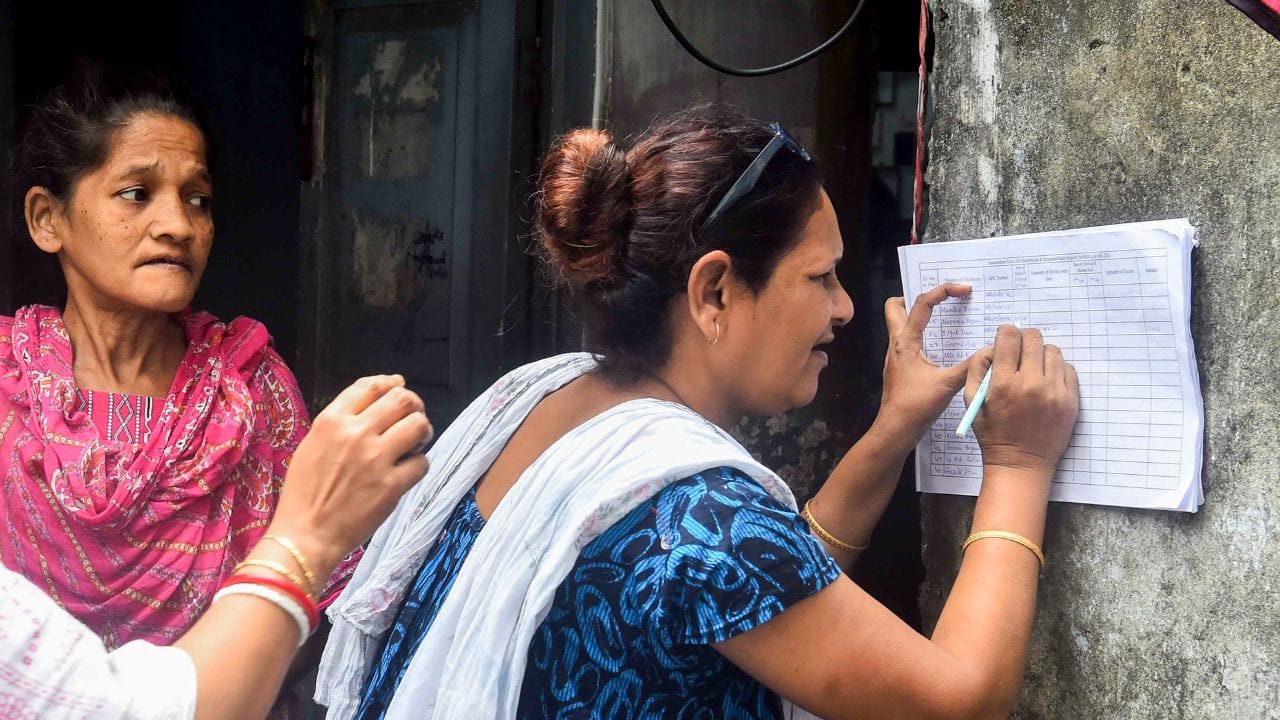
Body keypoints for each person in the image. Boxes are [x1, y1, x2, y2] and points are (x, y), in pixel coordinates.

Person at [316, 106, 1080, 719]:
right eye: (820, 277)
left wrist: (894, 430)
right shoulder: (701, 515)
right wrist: (1017, 463)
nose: (846, 308)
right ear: (715, 292)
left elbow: (767, 590)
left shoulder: (544, 401)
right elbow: (958, 700)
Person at [0, 62, 352, 713]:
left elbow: (315, 597)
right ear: (48, 219)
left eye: (198, 199)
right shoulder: (6, 385)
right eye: (137, 193)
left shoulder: (251, 390)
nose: (179, 226)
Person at [1, 374, 434, 720]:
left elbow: (330, 610)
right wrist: (309, 537)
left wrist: (253, 673)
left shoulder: (249, 384)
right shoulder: (9, 377)